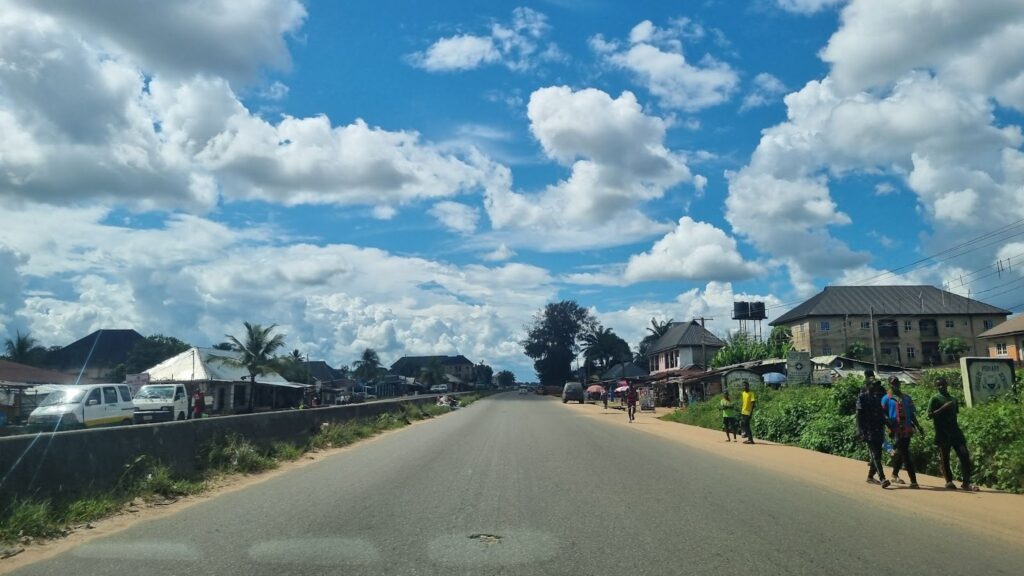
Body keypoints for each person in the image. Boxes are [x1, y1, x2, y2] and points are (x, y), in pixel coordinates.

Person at [928, 377, 979, 491]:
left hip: (955, 432)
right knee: (945, 458)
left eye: (943, 384)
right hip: (943, 433)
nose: (941, 387)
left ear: (947, 385)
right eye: (939, 385)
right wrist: (943, 408)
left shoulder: (953, 399)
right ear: (936, 387)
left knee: (964, 455)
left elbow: (955, 415)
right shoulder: (935, 399)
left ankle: (966, 482)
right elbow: (930, 415)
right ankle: (949, 481)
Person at [881, 377, 923, 488]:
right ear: (890, 384)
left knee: (900, 452)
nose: (895, 385)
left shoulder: (906, 398)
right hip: (895, 430)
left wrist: (918, 426)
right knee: (905, 454)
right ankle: (913, 481)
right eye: (893, 383)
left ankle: (894, 474)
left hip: (907, 429)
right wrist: (888, 424)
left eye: (897, 382)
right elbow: (882, 413)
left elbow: (912, 414)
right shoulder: (886, 398)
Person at [856, 370, 891, 488]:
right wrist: (860, 431)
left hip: (879, 428)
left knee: (878, 454)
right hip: (868, 429)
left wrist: (889, 426)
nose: (876, 387)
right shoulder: (862, 397)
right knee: (876, 454)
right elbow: (859, 415)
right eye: (874, 385)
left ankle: (870, 477)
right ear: (868, 385)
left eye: (877, 385)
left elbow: (883, 413)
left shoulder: (878, 397)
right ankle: (882, 478)